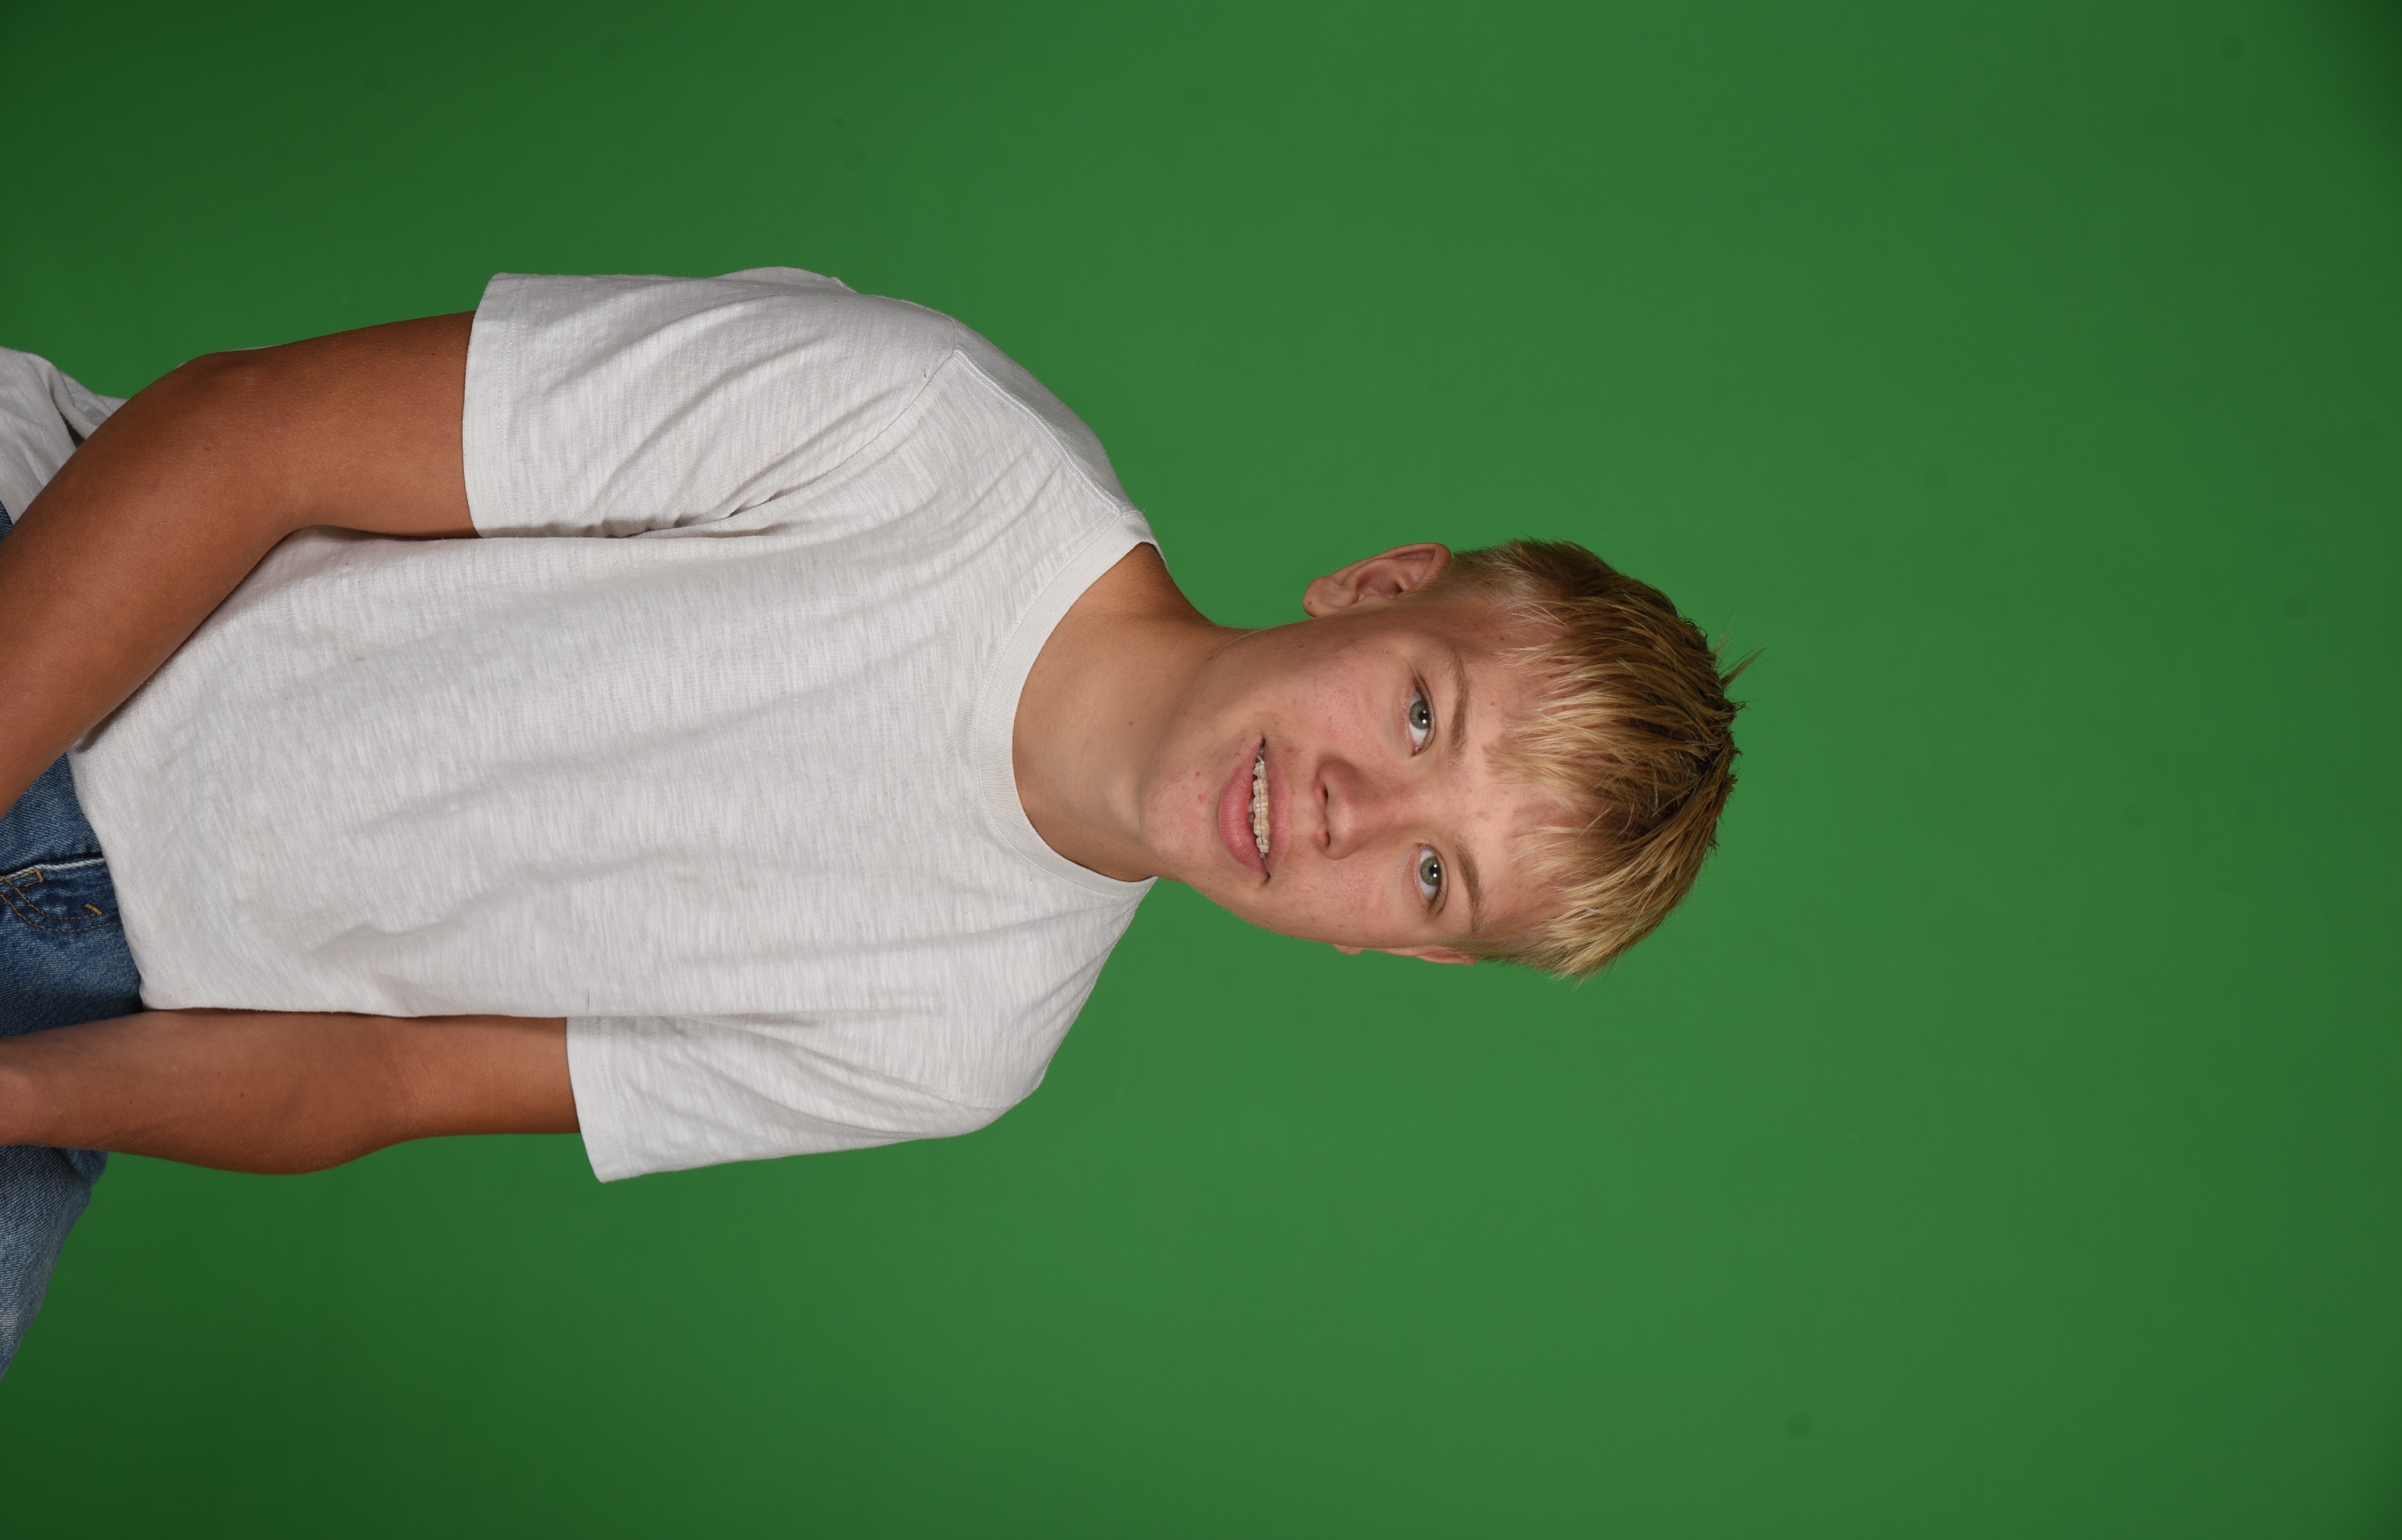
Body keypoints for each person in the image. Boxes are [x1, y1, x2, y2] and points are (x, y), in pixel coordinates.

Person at [0, 268, 1743, 1375]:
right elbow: (246, 436)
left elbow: (383, 1079)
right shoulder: (925, 434)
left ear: (1391, 947)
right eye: (1422, 710)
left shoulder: (963, 1043)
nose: (1360, 811)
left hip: (85, 1008)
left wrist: (17, 1099)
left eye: (1434, 877)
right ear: (1375, 585)